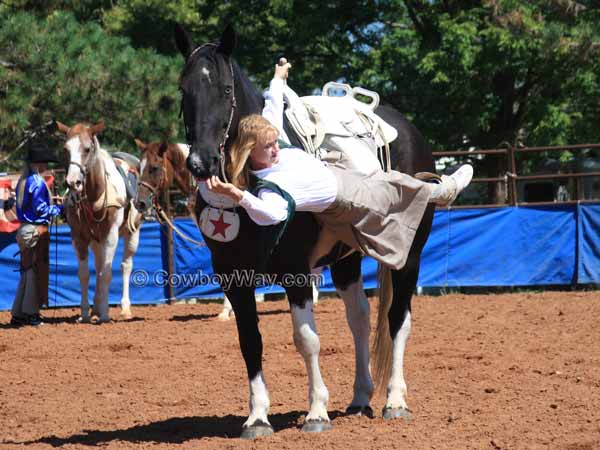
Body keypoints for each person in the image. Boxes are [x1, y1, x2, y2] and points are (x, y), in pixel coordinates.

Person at [205, 62, 473, 270]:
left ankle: (316, 265)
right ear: (252, 151)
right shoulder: (270, 188)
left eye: (275, 142)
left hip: (334, 174)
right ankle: (443, 191)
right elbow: (270, 214)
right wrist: (239, 196)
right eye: (269, 146)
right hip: (345, 196)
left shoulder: (269, 142)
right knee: (392, 186)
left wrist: (278, 77)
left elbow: (273, 105)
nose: (276, 148)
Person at [10, 143, 63, 327]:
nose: (47, 166)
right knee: (34, 271)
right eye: (46, 163)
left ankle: (18, 313)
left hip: (23, 229)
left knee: (26, 271)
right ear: (39, 164)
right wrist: (60, 208)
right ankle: (32, 313)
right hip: (34, 230)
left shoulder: (23, 181)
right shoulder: (38, 182)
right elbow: (41, 209)